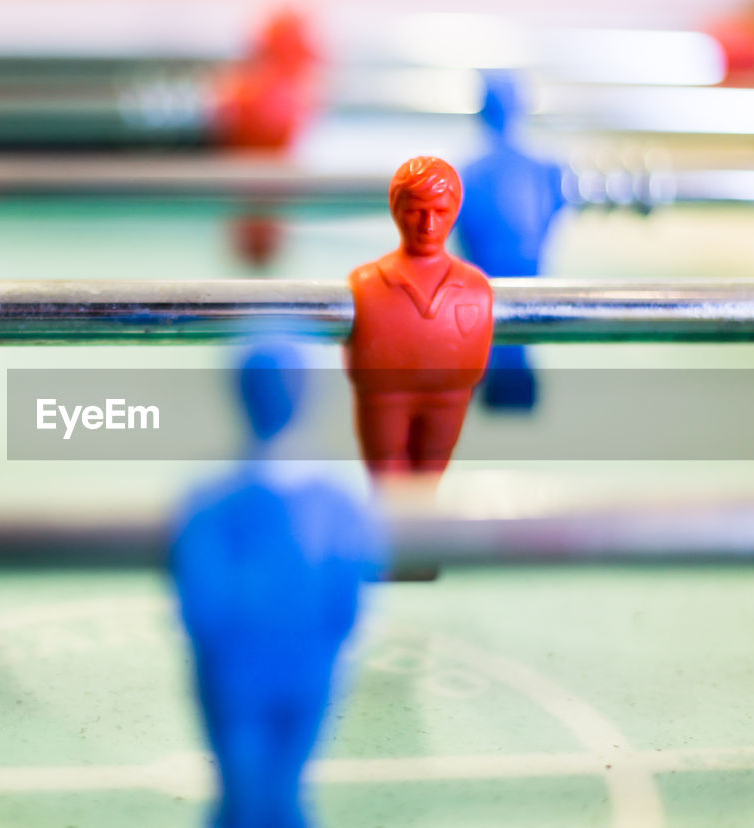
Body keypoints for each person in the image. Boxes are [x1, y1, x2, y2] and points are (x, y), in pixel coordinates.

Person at [172, 340, 384, 828]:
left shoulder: (216, 500)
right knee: (246, 795)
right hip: (248, 672)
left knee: (281, 791)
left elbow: (347, 594)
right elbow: (202, 599)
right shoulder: (219, 502)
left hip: (295, 670)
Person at [346, 156, 493, 479]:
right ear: (396, 209)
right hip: (386, 393)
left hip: (447, 394)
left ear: (454, 212)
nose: (428, 226)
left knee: (430, 473)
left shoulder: (474, 286)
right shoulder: (369, 282)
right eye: (416, 211)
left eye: (440, 212)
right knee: (386, 474)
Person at [457, 72, 564, 411]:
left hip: (492, 266)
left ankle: (504, 389)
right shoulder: (547, 168)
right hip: (520, 263)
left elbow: (461, 225)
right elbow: (553, 215)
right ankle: (507, 389)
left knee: (502, 331)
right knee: (511, 332)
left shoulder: (470, 171)